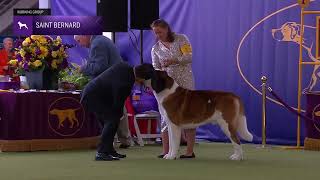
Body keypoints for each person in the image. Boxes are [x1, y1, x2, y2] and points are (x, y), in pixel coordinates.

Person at [74, 35, 131, 159]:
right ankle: (104, 151)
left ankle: (107, 150)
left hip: (103, 90)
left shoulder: (97, 43)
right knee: (111, 120)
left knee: (110, 121)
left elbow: (100, 67)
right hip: (105, 90)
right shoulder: (101, 40)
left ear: (85, 35)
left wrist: (83, 68)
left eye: (79, 40)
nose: (79, 44)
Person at [151, 19, 197, 158]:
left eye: (160, 31)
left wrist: (174, 60)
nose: (158, 35)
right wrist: (161, 69)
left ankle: (189, 151)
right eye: (155, 33)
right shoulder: (156, 48)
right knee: (165, 115)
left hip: (185, 81)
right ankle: (166, 151)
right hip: (166, 86)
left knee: (189, 114)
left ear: (167, 29)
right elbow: (155, 68)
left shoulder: (181, 39)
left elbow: (189, 57)